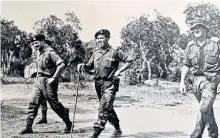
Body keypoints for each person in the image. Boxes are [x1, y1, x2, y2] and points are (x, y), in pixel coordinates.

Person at [78, 29, 133, 138]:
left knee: (103, 109)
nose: (99, 40)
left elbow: (130, 60)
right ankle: (117, 129)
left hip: (110, 84)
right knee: (109, 108)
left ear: (108, 38)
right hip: (98, 84)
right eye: (98, 38)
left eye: (102, 38)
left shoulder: (115, 51)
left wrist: (119, 71)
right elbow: (89, 66)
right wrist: (83, 66)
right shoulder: (95, 52)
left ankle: (95, 135)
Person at [19, 34, 72, 135]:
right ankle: (28, 127)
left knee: (54, 105)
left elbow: (61, 65)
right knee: (33, 103)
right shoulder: (38, 53)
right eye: (33, 43)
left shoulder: (50, 52)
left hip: (48, 82)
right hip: (38, 81)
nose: (35, 45)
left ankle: (68, 124)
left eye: (37, 42)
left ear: (43, 41)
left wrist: (53, 78)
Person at [179, 18, 220, 138]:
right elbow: (186, 65)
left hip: (211, 81)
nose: (195, 30)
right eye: (193, 28)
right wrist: (182, 82)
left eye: (198, 27)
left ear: (205, 29)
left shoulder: (216, 44)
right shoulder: (190, 46)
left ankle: (196, 134)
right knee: (207, 109)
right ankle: (213, 133)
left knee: (203, 109)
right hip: (196, 83)